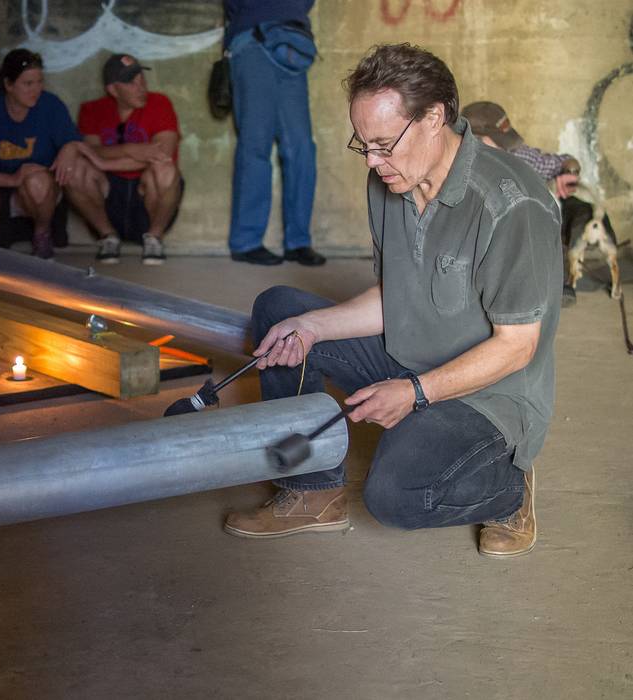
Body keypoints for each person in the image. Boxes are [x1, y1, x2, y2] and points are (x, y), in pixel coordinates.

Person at [224, 44, 562, 559]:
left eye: (384, 144)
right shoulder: (390, 181)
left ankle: (507, 487)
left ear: (433, 117)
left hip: (491, 395)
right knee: (281, 313)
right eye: (364, 145)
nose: (375, 161)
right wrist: (312, 326)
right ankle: (314, 493)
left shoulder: (510, 204)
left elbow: (516, 348)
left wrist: (416, 392)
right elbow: (397, 292)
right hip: (410, 356)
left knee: (393, 497)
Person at [0, 49, 84, 260]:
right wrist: (11, 179)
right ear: (9, 85)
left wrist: (69, 147)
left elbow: (73, 140)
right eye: (28, 84)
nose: (36, 89)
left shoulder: (50, 105)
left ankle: (42, 235)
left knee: (36, 182)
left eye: (39, 82)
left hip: (37, 193)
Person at [224, 0, 325, 266]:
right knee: (256, 144)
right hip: (253, 39)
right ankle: (246, 242)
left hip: (293, 40)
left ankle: (298, 242)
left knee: (302, 147)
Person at [461, 101, 591, 307]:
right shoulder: (459, 163)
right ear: (473, 137)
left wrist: (569, 173)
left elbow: (565, 161)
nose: (504, 146)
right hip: (474, 246)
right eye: (496, 140)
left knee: (547, 200)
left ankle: (551, 277)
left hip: (519, 240)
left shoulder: (515, 154)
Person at [67, 54, 183, 266]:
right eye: (132, 82)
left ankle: (154, 238)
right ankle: (108, 236)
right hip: (110, 198)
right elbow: (90, 150)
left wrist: (104, 162)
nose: (141, 87)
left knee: (164, 168)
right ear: (113, 89)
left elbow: (161, 154)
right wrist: (131, 149)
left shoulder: (160, 103)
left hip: (146, 200)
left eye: (142, 80)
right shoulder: (93, 109)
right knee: (75, 169)